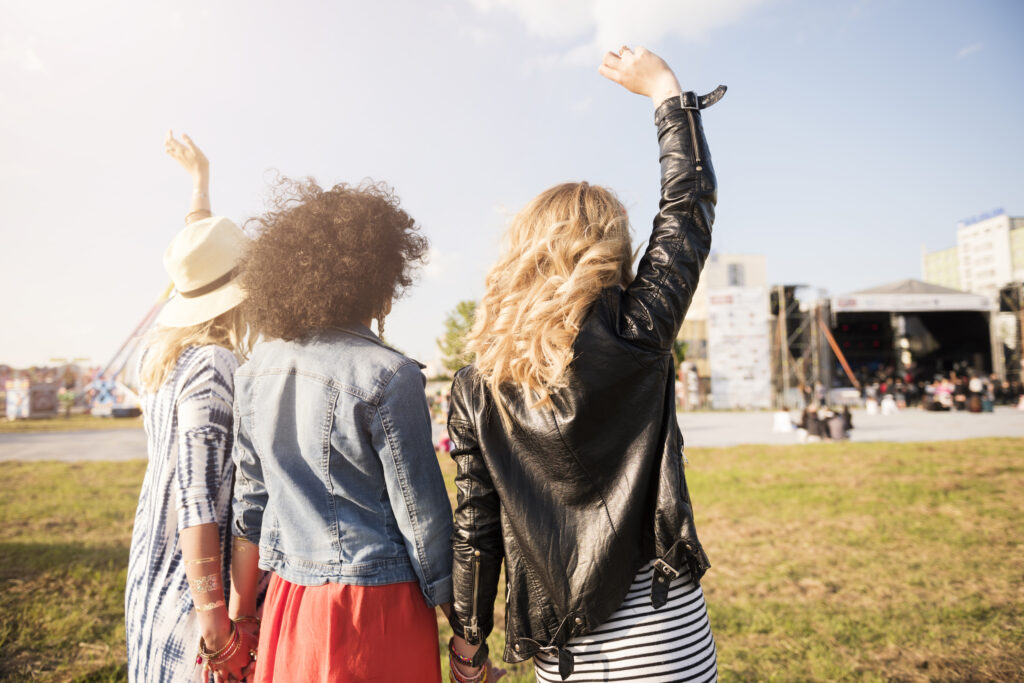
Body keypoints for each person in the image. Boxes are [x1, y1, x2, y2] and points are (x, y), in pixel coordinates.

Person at [445, 47, 721, 682]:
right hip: (664, 630)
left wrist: (467, 643)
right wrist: (665, 93)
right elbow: (687, 212)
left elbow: (475, 528)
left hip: (566, 653)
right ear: (609, 253)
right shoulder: (637, 331)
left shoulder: (475, 387)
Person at [228, 178, 454, 682]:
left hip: (290, 599)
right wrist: (465, 633)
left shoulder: (254, 370)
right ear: (379, 278)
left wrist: (242, 617)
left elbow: (250, 505)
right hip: (375, 606)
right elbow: (423, 521)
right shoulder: (390, 375)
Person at [125, 132, 258, 682]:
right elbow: (197, 499)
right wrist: (216, 626)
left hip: (152, 569)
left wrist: (200, 184)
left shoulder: (161, 356)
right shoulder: (213, 365)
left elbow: (198, 258)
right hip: (193, 596)